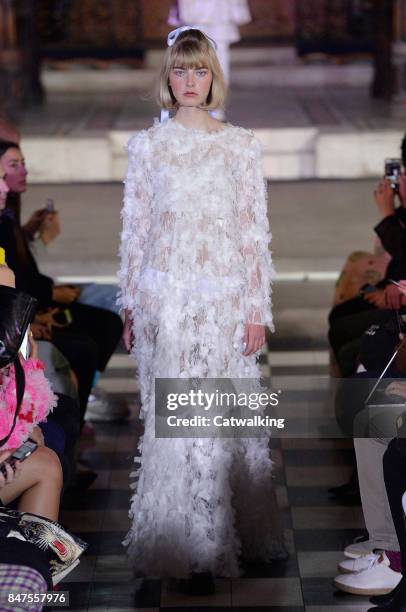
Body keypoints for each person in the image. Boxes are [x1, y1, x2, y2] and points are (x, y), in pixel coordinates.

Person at [118, 27, 285, 594]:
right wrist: (129, 304)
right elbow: (135, 232)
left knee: (216, 416)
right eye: (180, 71)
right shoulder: (147, 147)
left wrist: (256, 308)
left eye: (200, 71)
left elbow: (252, 233)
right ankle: (178, 543)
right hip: (164, 295)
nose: (190, 81)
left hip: (222, 297)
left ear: (214, 77)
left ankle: (218, 539)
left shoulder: (239, 145)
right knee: (171, 419)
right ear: (168, 77)